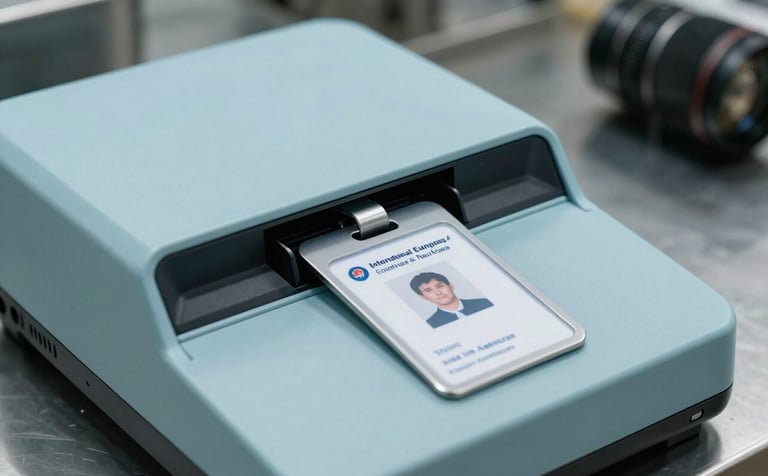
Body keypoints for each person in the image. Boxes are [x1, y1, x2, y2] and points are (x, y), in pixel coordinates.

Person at [409, 272, 493, 329]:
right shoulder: (431, 324)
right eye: (428, 290)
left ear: (451, 286)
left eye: (440, 286)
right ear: (424, 297)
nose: (438, 292)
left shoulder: (485, 303)